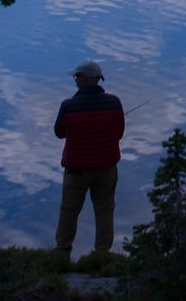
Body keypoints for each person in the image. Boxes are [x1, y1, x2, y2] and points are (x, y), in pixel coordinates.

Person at [54, 59, 126, 258]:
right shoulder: (114, 103)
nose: (75, 80)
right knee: (104, 210)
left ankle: (62, 252)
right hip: (106, 168)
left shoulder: (69, 106)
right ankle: (102, 254)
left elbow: (59, 132)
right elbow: (119, 132)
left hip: (76, 169)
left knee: (69, 210)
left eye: (77, 77)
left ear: (85, 80)